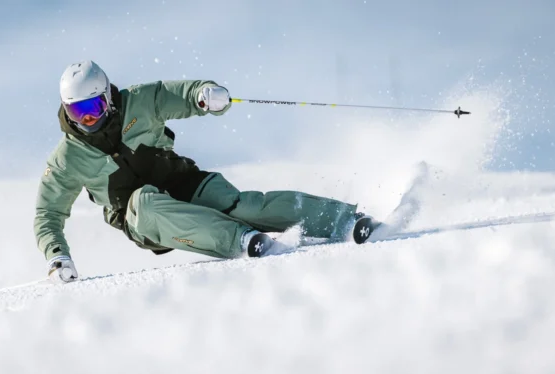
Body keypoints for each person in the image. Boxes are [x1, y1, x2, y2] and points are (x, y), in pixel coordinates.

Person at [35, 60, 372, 283]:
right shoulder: (67, 158)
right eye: (78, 113)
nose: (88, 121)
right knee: (148, 202)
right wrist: (57, 256)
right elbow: (47, 213)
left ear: (106, 97)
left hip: (181, 180)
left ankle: (344, 219)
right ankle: (239, 239)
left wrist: (204, 95)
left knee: (245, 206)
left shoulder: (138, 101)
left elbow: (179, 94)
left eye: (92, 109)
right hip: (139, 215)